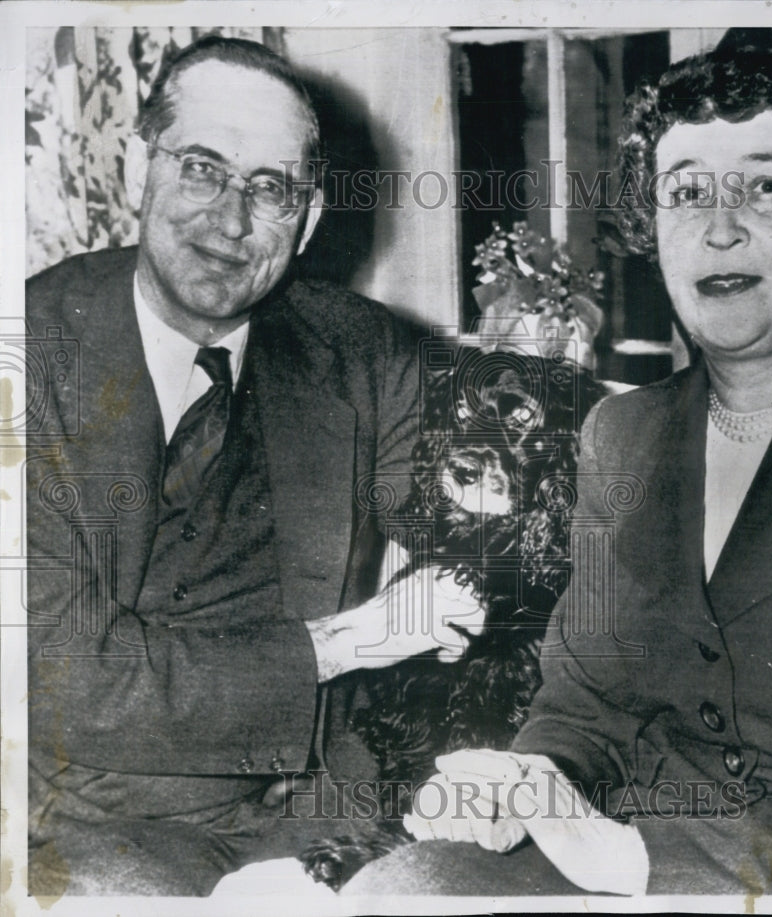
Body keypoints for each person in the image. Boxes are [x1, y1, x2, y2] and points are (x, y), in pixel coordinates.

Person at [342, 43, 772, 897]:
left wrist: (629, 856)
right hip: (631, 855)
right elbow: (584, 710)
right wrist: (529, 782)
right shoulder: (624, 435)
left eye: (765, 186)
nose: (718, 226)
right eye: (686, 191)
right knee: (395, 892)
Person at [26, 36, 482, 896]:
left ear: (307, 222)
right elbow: (63, 680)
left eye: (269, 187)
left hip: (332, 814)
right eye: (201, 166)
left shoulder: (360, 351)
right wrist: (345, 642)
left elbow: (477, 552)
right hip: (102, 831)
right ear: (137, 171)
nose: (230, 219)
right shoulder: (28, 361)